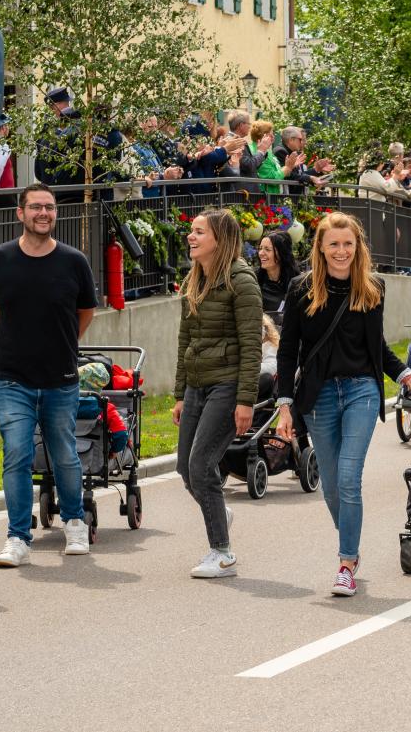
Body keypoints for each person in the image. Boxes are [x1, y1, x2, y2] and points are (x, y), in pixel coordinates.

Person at [275, 211, 411, 597]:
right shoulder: (300, 288)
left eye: (348, 244)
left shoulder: (372, 287)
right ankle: (351, 542)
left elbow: (376, 347)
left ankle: (346, 563)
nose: (341, 251)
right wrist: (284, 406)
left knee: (348, 478)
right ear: (321, 248)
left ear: (358, 246)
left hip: (361, 390)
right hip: (319, 396)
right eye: (334, 244)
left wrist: (407, 377)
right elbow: (288, 351)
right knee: (330, 487)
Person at [0, 183, 98, 566]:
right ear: (21, 213)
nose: (43, 213)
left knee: (64, 455)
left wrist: (63, 344)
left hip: (61, 379)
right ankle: (17, 538)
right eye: (35, 207)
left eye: (49, 207)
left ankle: (74, 523)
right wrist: (13, 341)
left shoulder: (74, 261)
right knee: (17, 454)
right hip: (13, 380)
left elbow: (85, 312)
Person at [172, 210, 262, 579]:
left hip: (227, 385)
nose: (190, 237)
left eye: (199, 232)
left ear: (220, 239)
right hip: (197, 384)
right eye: (191, 231)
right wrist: (180, 393)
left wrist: (245, 401)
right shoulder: (194, 279)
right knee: (184, 467)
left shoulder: (241, 281)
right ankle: (218, 513)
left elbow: (252, 345)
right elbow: (185, 340)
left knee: (201, 465)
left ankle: (222, 553)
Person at [256, 230, 300, 315]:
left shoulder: (297, 284)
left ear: (281, 253)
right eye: (260, 248)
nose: (261, 253)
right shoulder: (254, 280)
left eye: (267, 249)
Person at [250, 120, 282, 195]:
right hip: (264, 197)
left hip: (273, 195)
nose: (273, 137)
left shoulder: (268, 151)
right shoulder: (255, 151)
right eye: (271, 135)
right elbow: (272, 178)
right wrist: (287, 168)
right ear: (263, 136)